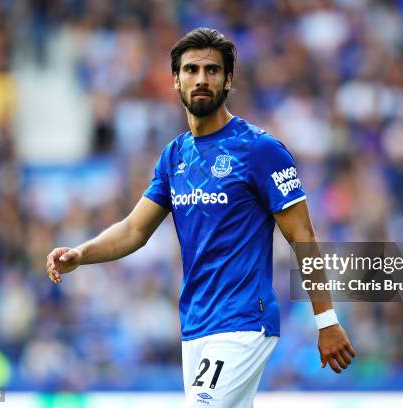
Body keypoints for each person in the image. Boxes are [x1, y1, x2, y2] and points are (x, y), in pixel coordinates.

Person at [46, 27, 355, 407]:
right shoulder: (174, 156)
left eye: (212, 70)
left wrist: (326, 321)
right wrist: (82, 253)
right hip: (195, 326)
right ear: (175, 81)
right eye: (191, 70)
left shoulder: (259, 150)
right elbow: (134, 229)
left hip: (244, 321)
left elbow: (303, 235)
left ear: (228, 81)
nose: (201, 79)